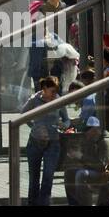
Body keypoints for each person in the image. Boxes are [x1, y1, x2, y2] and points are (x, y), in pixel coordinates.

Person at [21, 76, 67, 206]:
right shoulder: (34, 100)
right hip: (35, 141)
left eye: (56, 91)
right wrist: (34, 127)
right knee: (34, 177)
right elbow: (23, 115)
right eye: (52, 91)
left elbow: (67, 119)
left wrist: (63, 125)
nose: (54, 94)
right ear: (45, 88)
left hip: (53, 141)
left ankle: (44, 203)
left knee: (48, 175)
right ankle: (32, 202)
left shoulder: (58, 99)